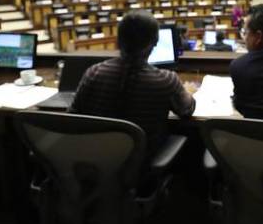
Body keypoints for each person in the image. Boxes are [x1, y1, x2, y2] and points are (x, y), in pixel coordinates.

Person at [69, 10, 196, 158]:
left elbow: (73, 116)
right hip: (142, 164)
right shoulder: (166, 80)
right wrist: (186, 92)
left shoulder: (94, 72)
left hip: (98, 160)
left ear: (117, 41)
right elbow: (187, 110)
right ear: (155, 42)